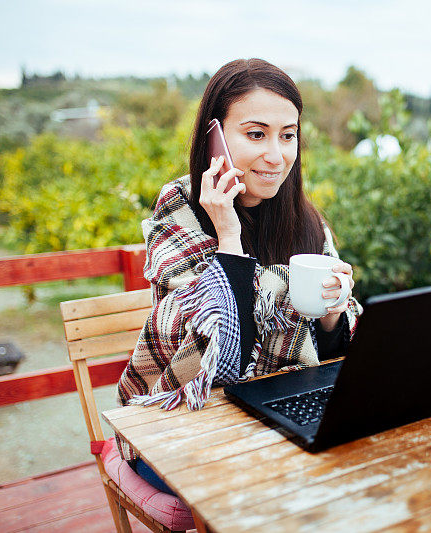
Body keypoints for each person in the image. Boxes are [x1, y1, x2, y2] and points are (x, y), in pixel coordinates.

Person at [115, 59, 362, 493]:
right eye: (255, 134)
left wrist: (331, 313)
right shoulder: (181, 210)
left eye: (288, 136)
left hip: (279, 416)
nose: (276, 155)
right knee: (295, 484)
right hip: (183, 421)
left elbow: (331, 358)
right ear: (215, 139)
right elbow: (222, 363)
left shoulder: (305, 222)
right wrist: (228, 233)